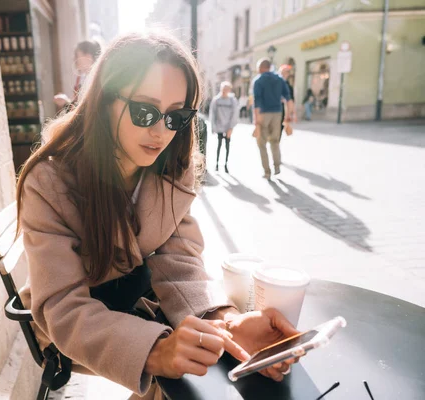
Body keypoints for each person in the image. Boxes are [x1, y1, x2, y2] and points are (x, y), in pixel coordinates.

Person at [16, 33, 300, 400]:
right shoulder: (51, 180)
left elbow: (178, 256)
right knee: (178, 366)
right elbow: (63, 308)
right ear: (104, 101)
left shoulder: (170, 166)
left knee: (200, 359)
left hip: (133, 298)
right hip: (68, 323)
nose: (160, 131)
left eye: (176, 116)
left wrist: (225, 322)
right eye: (145, 111)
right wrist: (156, 350)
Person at [252, 58, 292, 179]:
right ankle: (277, 166)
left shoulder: (258, 80)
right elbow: (288, 99)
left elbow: (257, 102)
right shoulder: (279, 79)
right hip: (277, 113)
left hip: (263, 114)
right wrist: (288, 117)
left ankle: (267, 172)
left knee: (262, 143)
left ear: (260, 68)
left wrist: (256, 121)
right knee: (275, 141)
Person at [53, 40, 102, 111]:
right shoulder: (82, 78)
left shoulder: (96, 80)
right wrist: (67, 102)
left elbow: (87, 109)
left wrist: (66, 102)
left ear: (88, 56)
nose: (74, 59)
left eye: (76, 55)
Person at [209, 81, 238, 173]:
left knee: (227, 146)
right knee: (219, 145)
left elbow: (235, 114)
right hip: (219, 126)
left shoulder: (232, 100)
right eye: (224, 88)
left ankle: (226, 164)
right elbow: (212, 114)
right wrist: (213, 127)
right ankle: (217, 163)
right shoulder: (216, 100)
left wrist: (231, 127)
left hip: (228, 126)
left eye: (227, 89)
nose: (225, 90)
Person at [278, 65, 296, 142]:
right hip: (273, 109)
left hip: (283, 109)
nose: (285, 74)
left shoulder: (288, 86)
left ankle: (276, 144)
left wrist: (292, 114)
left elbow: (291, 100)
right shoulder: (275, 83)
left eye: (287, 72)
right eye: (284, 72)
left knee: (279, 130)